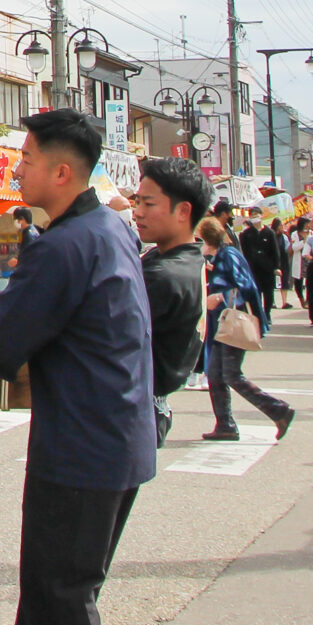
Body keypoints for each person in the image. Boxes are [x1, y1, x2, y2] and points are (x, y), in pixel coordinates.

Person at [0, 109, 155, 625]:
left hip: (85, 442)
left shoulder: (65, 245)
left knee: (63, 589)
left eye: (27, 158)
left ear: (61, 172)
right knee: (48, 580)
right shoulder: (110, 229)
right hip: (116, 431)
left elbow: (5, 337)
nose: (19, 167)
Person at [132, 158, 210, 446]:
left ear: (183, 211)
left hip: (131, 414)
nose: (137, 212)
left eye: (148, 204)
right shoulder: (181, 258)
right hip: (150, 409)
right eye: (137, 201)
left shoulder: (165, 275)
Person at [196, 218, 295, 442]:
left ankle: (278, 409)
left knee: (231, 374)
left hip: (233, 322)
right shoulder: (217, 257)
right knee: (214, 375)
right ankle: (225, 424)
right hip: (220, 324)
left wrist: (220, 296)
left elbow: (246, 286)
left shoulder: (229, 255)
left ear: (207, 238)